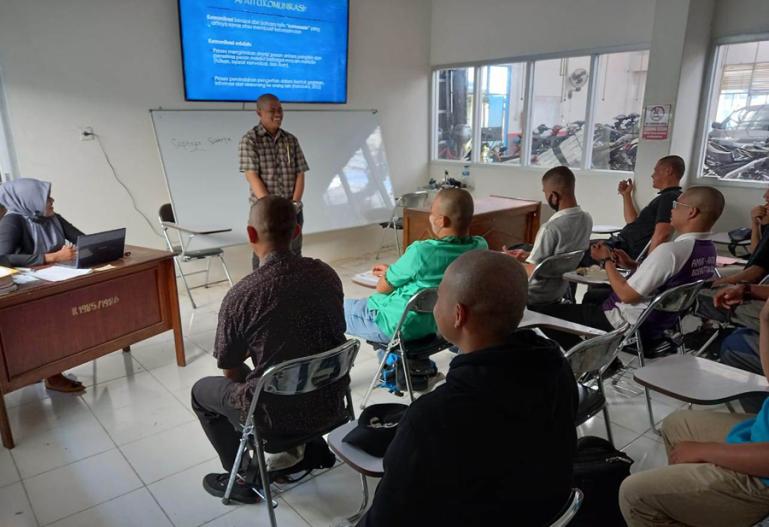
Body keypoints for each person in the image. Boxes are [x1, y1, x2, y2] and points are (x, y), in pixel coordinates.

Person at [357, 250, 578, 527]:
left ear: (458, 314)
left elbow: (386, 518)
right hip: (543, 512)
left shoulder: (434, 416)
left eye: (440, 298)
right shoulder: (555, 366)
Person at [191, 196, 346, 504]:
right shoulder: (326, 275)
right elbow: (330, 336)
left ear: (251, 235)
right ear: (297, 231)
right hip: (331, 404)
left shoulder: (242, 297)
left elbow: (231, 370)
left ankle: (245, 476)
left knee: (201, 392)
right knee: (298, 360)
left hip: (276, 420)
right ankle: (312, 449)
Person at [618, 297, 769, 527]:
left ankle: (714, 500)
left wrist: (707, 451)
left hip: (762, 476)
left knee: (633, 495)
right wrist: (765, 318)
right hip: (760, 431)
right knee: (676, 425)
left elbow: (629, 294)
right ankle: (700, 506)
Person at [537, 186, 724, 351]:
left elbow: (627, 295)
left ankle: (589, 360)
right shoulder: (708, 250)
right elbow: (666, 278)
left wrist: (606, 261)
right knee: (593, 296)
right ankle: (596, 347)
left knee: (540, 313)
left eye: (676, 205)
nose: (671, 210)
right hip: (661, 323)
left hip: (628, 324)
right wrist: (632, 265)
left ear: (691, 212)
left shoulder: (671, 251)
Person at [344, 188, 487, 344]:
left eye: (432, 212)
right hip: (435, 327)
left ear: (441, 221)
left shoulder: (421, 251)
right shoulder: (480, 247)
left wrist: (387, 276)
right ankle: (403, 366)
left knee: (331, 308)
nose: (430, 216)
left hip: (395, 324)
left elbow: (382, 288)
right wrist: (392, 270)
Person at [0, 178, 84, 393]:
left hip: (57, 278)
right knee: (48, 325)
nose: (52, 200)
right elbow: (3, 258)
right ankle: (51, 375)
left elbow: (81, 239)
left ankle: (50, 368)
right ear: (30, 200)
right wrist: (51, 257)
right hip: (26, 287)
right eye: (47, 197)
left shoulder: (53, 217)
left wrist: (103, 246)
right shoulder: (13, 221)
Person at [503, 165, 592, 306]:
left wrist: (509, 261)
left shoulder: (550, 228)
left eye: (545, 193)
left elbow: (533, 271)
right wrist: (526, 255)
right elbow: (555, 260)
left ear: (554, 196)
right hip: (557, 293)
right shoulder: (586, 219)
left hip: (532, 296)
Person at [239, 93, 309, 269]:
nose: (278, 114)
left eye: (280, 110)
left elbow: (300, 172)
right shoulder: (250, 140)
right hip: (265, 212)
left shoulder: (290, 140)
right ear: (259, 113)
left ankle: (292, 292)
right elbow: (251, 176)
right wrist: (270, 206)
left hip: (292, 209)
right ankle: (260, 292)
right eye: (272, 110)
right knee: (264, 258)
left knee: (294, 253)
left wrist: (294, 203)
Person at [612, 155, 685, 258]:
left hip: (625, 250)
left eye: (656, 171)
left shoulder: (669, 197)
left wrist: (649, 264)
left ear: (668, 171)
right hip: (622, 244)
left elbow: (662, 233)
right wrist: (626, 195)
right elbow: (632, 222)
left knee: (585, 252)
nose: (652, 175)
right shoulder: (666, 197)